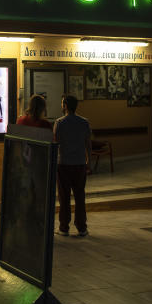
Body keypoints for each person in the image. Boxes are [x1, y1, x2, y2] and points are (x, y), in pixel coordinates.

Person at [52, 94, 92, 237]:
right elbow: (88, 143)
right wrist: (89, 161)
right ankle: (82, 228)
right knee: (80, 196)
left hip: (63, 164)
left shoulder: (59, 122)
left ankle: (64, 227)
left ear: (66, 106)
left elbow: (55, 142)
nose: (61, 105)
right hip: (80, 163)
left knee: (64, 197)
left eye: (62, 103)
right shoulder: (84, 122)